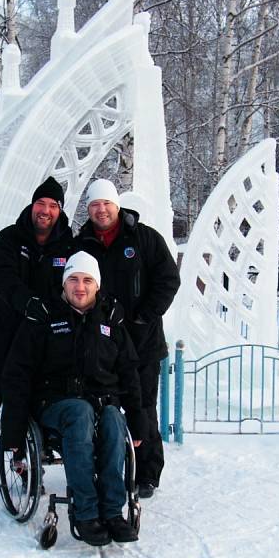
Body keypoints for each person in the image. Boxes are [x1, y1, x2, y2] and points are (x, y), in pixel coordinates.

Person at [0, 251, 147, 547]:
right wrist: (13, 430)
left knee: (112, 418)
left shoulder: (112, 319)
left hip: (101, 403)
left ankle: (112, 512)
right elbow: (17, 372)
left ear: (97, 286)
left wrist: (139, 421)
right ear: (64, 283)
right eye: (74, 280)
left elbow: (130, 373)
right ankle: (86, 511)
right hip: (54, 404)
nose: (80, 287)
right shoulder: (43, 316)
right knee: (79, 412)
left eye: (87, 280)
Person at [0, 176, 73, 492]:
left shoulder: (68, 243)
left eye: (53, 206)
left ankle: (23, 466)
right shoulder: (10, 238)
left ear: (59, 210)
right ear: (32, 205)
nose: (46, 211)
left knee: (25, 407)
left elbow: (69, 285)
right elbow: (2, 276)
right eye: (41, 203)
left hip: (35, 346)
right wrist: (28, 303)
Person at [75, 179, 180, 498]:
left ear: (116, 206)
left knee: (143, 406)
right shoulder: (83, 243)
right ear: (89, 210)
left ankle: (146, 472)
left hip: (142, 341)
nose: (101, 210)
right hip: (102, 343)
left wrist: (143, 315)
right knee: (100, 407)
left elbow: (168, 280)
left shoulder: (144, 238)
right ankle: (103, 464)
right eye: (94, 205)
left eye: (106, 203)